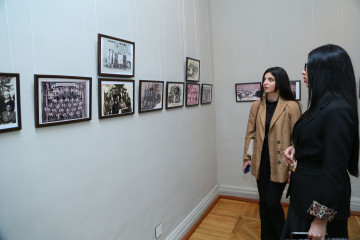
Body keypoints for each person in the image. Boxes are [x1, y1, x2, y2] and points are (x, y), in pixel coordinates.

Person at [281, 44, 359, 240]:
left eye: (308, 67)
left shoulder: (337, 109)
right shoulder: (322, 104)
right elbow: (317, 143)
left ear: (326, 71)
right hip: (305, 198)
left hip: (318, 205)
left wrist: (321, 219)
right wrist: (296, 149)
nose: (303, 71)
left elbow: (335, 169)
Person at [243, 67, 301, 240]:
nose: (265, 83)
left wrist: (293, 168)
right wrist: (247, 157)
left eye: (271, 79)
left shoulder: (291, 106)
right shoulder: (256, 105)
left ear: (280, 82)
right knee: (264, 204)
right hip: (261, 162)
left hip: (281, 163)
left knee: (271, 202)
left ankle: (283, 236)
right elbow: (250, 134)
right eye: (264, 79)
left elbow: (297, 139)